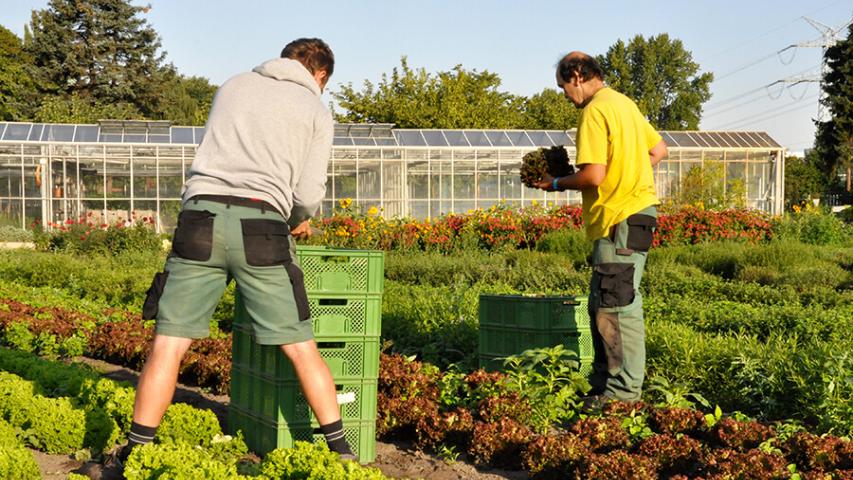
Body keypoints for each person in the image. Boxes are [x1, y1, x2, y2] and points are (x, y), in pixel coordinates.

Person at [119, 38, 355, 463]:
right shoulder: (316, 110)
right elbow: (307, 192)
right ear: (320, 75)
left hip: (200, 219)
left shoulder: (233, 85)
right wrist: (297, 216)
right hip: (261, 227)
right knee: (301, 346)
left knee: (168, 344)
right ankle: (342, 454)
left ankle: (135, 453)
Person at [533, 52, 668, 403]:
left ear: (577, 76)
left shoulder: (595, 111)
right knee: (603, 302)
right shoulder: (624, 104)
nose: (564, 95)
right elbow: (658, 150)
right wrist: (630, 174)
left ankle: (623, 395)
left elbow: (594, 175)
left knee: (617, 305)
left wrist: (556, 183)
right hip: (637, 213)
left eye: (563, 86)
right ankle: (604, 384)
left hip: (618, 218)